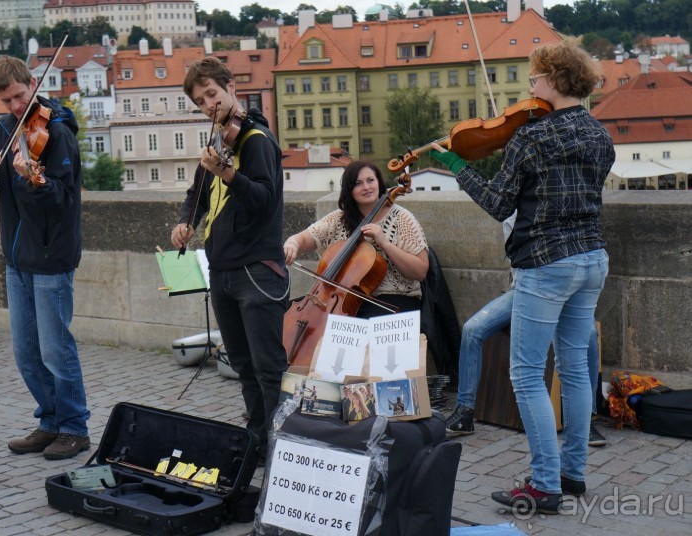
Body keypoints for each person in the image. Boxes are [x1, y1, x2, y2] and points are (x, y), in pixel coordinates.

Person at [431, 39, 613, 514]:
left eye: (534, 78)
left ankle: (543, 485)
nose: (529, 87)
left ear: (552, 80)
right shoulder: (600, 135)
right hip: (592, 259)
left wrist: (455, 166)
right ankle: (573, 473)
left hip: (546, 263)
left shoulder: (532, 138)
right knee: (575, 368)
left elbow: (497, 203)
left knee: (528, 375)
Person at [0, 56, 90, 460]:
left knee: (56, 349)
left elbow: (64, 198)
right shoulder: (4, 130)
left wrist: (34, 181)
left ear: (32, 83)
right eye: (7, 101)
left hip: (52, 254)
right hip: (17, 256)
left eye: (20, 97)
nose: (17, 107)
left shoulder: (57, 131)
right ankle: (49, 421)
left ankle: (74, 427)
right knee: (26, 351)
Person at [171, 57, 288, 456]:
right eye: (201, 102)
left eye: (212, 95)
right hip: (221, 271)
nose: (209, 106)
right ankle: (257, 440)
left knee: (269, 369)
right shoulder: (220, 140)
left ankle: (282, 450)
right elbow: (197, 193)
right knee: (242, 365)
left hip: (257, 270)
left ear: (230, 88)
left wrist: (229, 174)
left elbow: (265, 201)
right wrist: (187, 221)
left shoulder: (257, 141)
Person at [446, 218, 607, 448]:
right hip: (526, 291)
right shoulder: (511, 216)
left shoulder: (560, 205)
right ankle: (465, 410)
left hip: (567, 290)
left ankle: (586, 420)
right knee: (473, 329)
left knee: (590, 336)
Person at [283, 160, 429, 318]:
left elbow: (420, 271)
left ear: (379, 182)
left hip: (394, 300)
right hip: (342, 298)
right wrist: (292, 243)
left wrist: (385, 243)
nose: (366, 187)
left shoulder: (401, 219)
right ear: (349, 190)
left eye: (370, 180)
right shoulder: (339, 219)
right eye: (358, 183)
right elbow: (305, 237)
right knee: (284, 314)